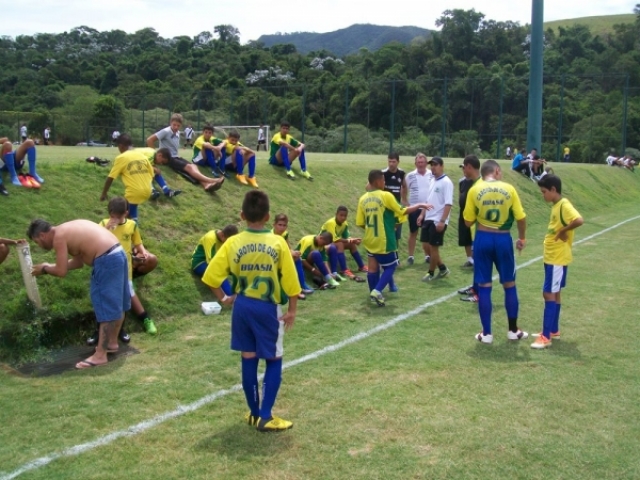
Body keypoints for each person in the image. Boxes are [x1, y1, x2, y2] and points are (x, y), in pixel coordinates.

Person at [201, 190, 301, 432]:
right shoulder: (278, 242)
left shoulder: (232, 242)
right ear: (267, 217)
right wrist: (292, 310)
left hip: (242, 306)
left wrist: (224, 298)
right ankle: (265, 415)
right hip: (267, 307)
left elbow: (210, 276)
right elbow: (291, 281)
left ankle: (254, 413)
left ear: (242, 215)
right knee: (273, 358)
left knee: (248, 356)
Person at [29, 219, 130, 369]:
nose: (39, 246)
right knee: (118, 303)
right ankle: (111, 343)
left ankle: (100, 355)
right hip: (117, 253)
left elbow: (61, 271)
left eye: (37, 242)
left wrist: (44, 269)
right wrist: (50, 266)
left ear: (42, 235)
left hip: (106, 259)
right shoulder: (66, 230)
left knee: (107, 306)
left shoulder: (58, 237)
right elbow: (78, 262)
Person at [463, 160, 528, 344]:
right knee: (509, 284)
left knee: (484, 285)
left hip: (483, 238)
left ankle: (487, 334)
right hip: (503, 239)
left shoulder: (474, 189)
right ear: (497, 171)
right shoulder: (509, 189)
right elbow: (521, 218)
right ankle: (513, 330)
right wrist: (522, 238)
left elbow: (467, 222)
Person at [87, 197, 159, 345]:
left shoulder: (132, 225)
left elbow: (138, 243)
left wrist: (143, 252)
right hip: (106, 270)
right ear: (109, 213)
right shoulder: (102, 224)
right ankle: (98, 331)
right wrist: (107, 228)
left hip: (125, 271)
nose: (115, 220)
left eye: (118, 217)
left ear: (126, 213)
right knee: (105, 301)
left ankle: (120, 330)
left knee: (122, 302)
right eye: (112, 216)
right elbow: (93, 241)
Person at [356, 169, 430, 306]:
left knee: (372, 268)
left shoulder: (363, 199)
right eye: (383, 180)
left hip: (370, 239)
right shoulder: (385, 196)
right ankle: (377, 291)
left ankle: (373, 294)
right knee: (391, 266)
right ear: (378, 181)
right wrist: (420, 205)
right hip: (384, 240)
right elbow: (403, 210)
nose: (384, 182)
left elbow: (360, 222)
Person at [531, 175, 584, 349]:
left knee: (548, 293)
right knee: (555, 292)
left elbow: (579, 220)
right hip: (552, 257)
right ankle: (553, 330)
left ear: (553, 189)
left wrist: (563, 231)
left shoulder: (564, 205)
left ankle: (546, 337)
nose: (543, 195)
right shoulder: (556, 205)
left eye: (544, 192)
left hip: (557, 258)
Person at [100, 134, 154, 222]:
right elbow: (152, 174)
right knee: (131, 210)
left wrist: (104, 193)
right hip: (148, 190)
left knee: (123, 216)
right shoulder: (142, 155)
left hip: (134, 191)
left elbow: (110, 177)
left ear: (121, 146)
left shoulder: (121, 157)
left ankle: (132, 227)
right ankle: (134, 223)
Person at [418, 157, 453, 282]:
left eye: (435, 165)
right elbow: (428, 200)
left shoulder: (446, 182)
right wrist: (422, 214)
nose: (433, 167)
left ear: (442, 166)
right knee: (425, 246)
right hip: (428, 217)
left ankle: (431, 273)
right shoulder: (432, 180)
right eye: (431, 165)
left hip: (438, 220)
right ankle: (442, 268)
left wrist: (442, 221)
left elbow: (448, 204)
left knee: (433, 248)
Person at [191, 224, 239, 301]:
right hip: (200, 263)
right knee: (218, 273)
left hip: (214, 262)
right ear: (222, 236)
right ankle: (232, 296)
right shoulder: (210, 238)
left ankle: (240, 293)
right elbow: (211, 262)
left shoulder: (224, 238)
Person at [321, 206, 368, 283]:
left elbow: (347, 237)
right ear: (336, 214)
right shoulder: (331, 223)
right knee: (340, 243)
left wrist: (354, 240)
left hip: (333, 244)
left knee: (351, 244)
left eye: (345, 216)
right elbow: (335, 239)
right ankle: (344, 270)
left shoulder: (345, 224)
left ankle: (361, 266)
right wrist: (350, 240)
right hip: (323, 246)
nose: (343, 217)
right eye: (341, 215)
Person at [272, 214, 314, 299]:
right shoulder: (270, 235)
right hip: (273, 260)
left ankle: (302, 285)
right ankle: (293, 291)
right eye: (280, 225)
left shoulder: (285, 234)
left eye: (284, 225)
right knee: (289, 263)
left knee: (297, 258)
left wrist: (294, 252)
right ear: (274, 225)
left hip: (282, 258)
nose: (282, 228)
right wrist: (289, 254)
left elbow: (288, 248)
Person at [404, 153, 433, 266]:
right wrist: (406, 203)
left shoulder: (431, 174)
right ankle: (411, 256)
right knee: (413, 232)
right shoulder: (410, 175)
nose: (420, 164)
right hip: (414, 208)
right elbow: (404, 189)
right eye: (418, 162)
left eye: (422, 162)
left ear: (426, 163)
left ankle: (428, 255)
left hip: (428, 208)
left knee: (427, 233)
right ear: (415, 163)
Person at [154, 147, 224, 193]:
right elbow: (150, 140)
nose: (177, 128)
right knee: (189, 167)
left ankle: (206, 185)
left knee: (193, 166)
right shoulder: (166, 131)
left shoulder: (177, 133)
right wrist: (156, 159)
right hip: (170, 159)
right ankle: (211, 180)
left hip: (176, 157)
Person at [458, 155, 481, 269]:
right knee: (466, 238)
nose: (463, 170)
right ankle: (471, 259)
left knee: (475, 238)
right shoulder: (462, 182)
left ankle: (477, 260)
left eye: (464, 167)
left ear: (469, 167)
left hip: (476, 218)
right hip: (465, 214)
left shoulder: (480, 183)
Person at [382, 152, 406, 245]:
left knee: (396, 234)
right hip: (386, 208)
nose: (391, 164)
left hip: (397, 208)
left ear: (398, 162)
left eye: (393, 162)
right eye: (389, 161)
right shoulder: (383, 173)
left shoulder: (401, 173)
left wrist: (404, 199)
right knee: (386, 233)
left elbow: (404, 186)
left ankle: (395, 252)